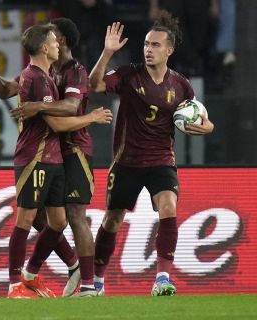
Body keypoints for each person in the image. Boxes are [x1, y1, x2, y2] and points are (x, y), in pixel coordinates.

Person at [0, 18, 112, 297]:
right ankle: (34, 275)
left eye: (54, 34)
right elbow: (5, 90)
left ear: (60, 40)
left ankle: (88, 283)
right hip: (44, 151)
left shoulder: (73, 72)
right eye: (48, 36)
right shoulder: (38, 74)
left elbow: (71, 107)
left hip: (73, 150)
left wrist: (35, 106)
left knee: (71, 216)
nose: (52, 39)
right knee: (38, 217)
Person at [88, 12, 214, 296]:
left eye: (156, 45)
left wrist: (206, 129)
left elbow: (204, 118)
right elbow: (93, 85)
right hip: (127, 161)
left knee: (168, 208)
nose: (148, 49)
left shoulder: (181, 85)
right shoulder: (128, 76)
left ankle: (163, 279)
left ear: (169, 50)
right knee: (112, 219)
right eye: (146, 44)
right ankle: (95, 280)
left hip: (161, 160)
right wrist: (107, 53)